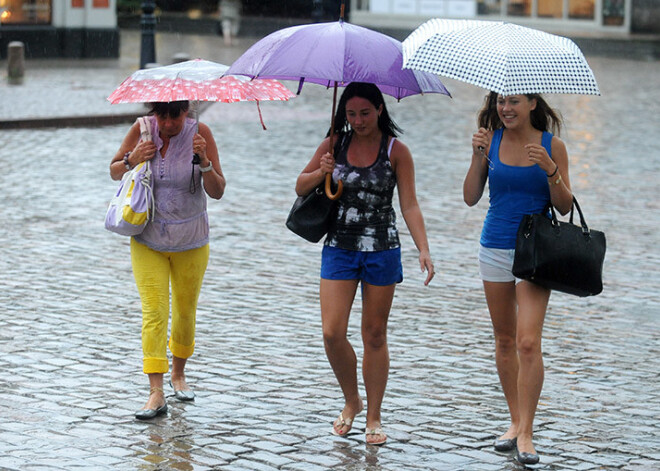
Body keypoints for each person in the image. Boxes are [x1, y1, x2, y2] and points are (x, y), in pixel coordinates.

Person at [295, 82, 435, 446]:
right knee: (331, 332)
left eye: (365, 113)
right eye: (351, 114)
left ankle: (373, 415)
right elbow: (300, 186)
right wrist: (321, 170)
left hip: (382, 249)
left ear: (380, 110)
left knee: (374, 334)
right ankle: (351, 399)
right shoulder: (334, 145)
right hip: (340, 247)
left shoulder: (396, 151)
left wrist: (423, 248)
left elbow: (410, 204)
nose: (357, 121)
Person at [463, 92, 574, 465]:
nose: (505, 109)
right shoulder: (490, 140)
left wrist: (551, 170)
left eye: (513, 102)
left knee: (528, 342)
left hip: (534, 251)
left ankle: (527, 431)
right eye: (500, 102)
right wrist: (477, 155)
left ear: (531, 104)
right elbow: (470, 197)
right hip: (494, 246)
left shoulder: (551, 145)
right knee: (505, 340)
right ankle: (514, 421)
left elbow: (563, 205)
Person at [109, 101, 226, 420]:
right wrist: (133, 159)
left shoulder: (201, 133)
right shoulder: (142, 129)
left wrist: (204, 162)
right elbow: (114, 171)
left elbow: (217, 190)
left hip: (191, 241)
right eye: (162, 115)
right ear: (154, 113)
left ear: (187, 111)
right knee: (154, 312)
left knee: (185, 312)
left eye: (176, 114)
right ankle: (156, 391)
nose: (169, 122)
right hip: (148, 239)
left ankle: (179, 374)